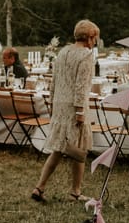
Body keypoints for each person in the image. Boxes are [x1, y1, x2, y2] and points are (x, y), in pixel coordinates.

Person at [31, 20, 99, 203]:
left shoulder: (62, 52)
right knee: (79, 148)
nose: (95, 42)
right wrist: (79, 111)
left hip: (60, 104)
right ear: (90, 38)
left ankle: (40, 186)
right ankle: (75, 191)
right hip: (74, 105)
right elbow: (81, 85)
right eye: (95, 38)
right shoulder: (86, 56)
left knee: (59, 148)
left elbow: (54, 81)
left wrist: (52, 103)